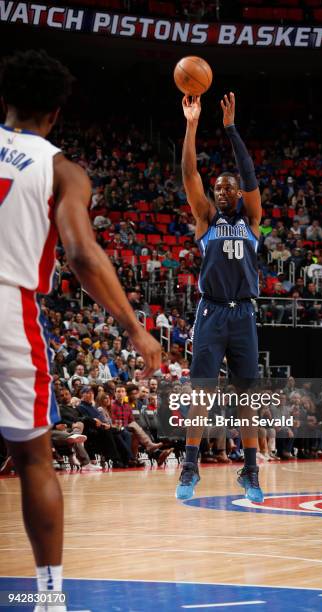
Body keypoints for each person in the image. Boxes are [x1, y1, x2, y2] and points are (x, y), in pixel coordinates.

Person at [0, 50, 161, 612]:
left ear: (5, 101)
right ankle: (47, 598)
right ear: (57, 113)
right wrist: (135, 329)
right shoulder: (61, 169)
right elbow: (81, 255)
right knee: (34, 461)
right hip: (9, 308)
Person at [175, 92, 263, 502]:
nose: (224, 192)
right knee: (203, 393)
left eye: (230, 188)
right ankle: (190, 467)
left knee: (246, 396)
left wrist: (230, 128)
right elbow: (190, 174)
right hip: (211, 312)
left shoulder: (252, 220)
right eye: (219, 188)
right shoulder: (205, 219)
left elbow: (250, 176)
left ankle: (250, 471)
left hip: (243, 313)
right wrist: (192, 125)